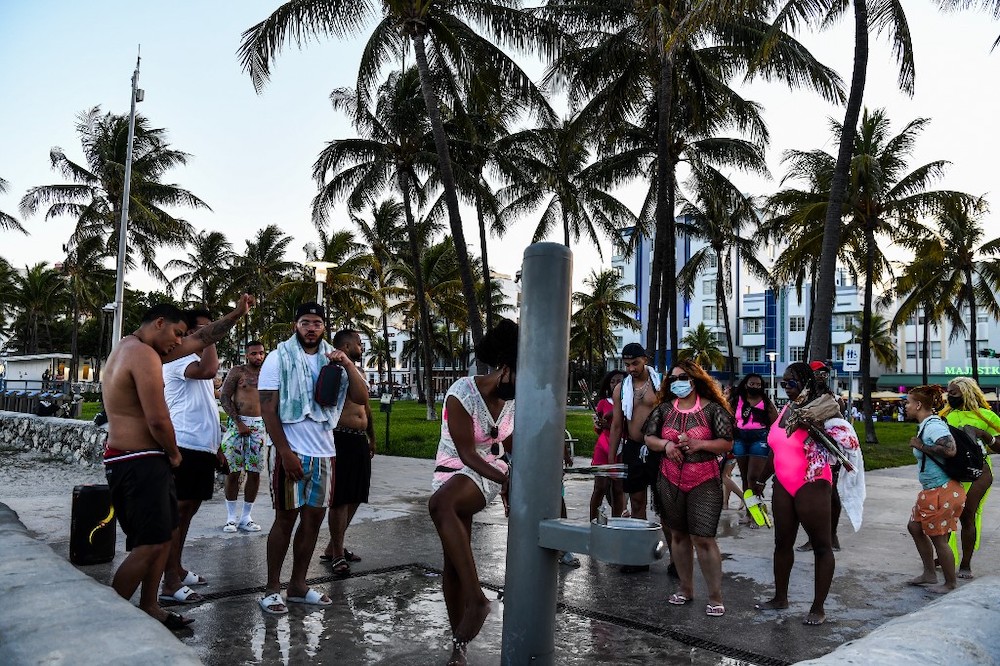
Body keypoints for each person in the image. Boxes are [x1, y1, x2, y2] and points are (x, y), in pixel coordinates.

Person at [102, 296, 253, 630]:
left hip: (139, 460)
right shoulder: (141, 355)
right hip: (138, 460)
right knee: (151, 544)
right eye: (176, 333)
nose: (179, 342)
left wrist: (237, 313)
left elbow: (202, 338)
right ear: (159, 324)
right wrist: (173, 453)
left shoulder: (137, 348)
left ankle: (150, 605)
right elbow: (157, 418)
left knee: (162, 537)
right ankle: (108, 622)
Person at [258, 303, 369, 615]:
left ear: (324, 327)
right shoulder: (278, 357)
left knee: (312, 522)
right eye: (305, 322)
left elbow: (361, 396)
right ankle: (271, 588)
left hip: (324, 453)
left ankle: (298, 585)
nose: (311, 328)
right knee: (284, 520)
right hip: (289, 452)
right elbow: (268, 408)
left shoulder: (333, 360)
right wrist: (283, 452)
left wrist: (347, 362)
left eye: (317, 323)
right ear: (296, 325)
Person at [427, 319, 517, 666]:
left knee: (441, 505)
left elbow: (509, 443)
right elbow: (464, 453)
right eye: (519, 378)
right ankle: (458, 645)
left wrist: (511, 479)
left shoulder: (514, 401)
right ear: (505, 368)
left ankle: (478, 600)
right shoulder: (462, 392)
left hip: (488, 473)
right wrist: (505, 477)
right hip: (454, 467)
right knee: (452, 563)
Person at [643, 360, 734, 618]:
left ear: (694, 380)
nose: (677, 383)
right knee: (678, 536)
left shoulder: (713, 410)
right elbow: (649, 437)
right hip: (669, 478)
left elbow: (726, 443)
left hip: (704, 479)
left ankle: (715, 597)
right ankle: (685, 589)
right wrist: (665, 445)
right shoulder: (663, 410)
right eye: (672, 379)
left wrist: (699, 444)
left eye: (682, 377)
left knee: (703, 538)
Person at [756, 362, 839, 625]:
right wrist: (761, 479)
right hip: (783, 483)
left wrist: (815, 423)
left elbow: (841, 443)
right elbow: (776, 449)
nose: (786, 387)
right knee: (782, 543)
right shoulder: (785, 410)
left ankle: (818, 607)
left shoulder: (823, 407)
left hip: (812, 482)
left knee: (821, 546)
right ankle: (780, 598)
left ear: (805, 382)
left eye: (790, 382)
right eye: (783, 383)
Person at [159, 309, 228, 604]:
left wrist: (218, 447)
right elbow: (211, 371)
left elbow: (205, 405)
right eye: (199, 330)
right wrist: (208, 337)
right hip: (185, 443)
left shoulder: (192, 360)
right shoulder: (179, 360)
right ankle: (169, 582)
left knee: (187, 514)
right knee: (177, 514)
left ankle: (176, 567)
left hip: (203, 447)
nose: (204, 334)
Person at [321, 329, 376, 576]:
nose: (362, 347)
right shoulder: (333, 369)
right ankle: (338, 553)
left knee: (357, 494)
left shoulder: (357, 372)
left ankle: (334, 546)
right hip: (340, 437)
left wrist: (371, 436)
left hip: (359, 439)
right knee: (340, 497)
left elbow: (366, 406)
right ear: (346, 345)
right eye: (359, 343)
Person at [904, 385, 966, 594]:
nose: (906, 406)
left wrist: (921, 447)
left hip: (943, 490)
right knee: (914, 527)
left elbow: (950, 449)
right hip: (932, 490)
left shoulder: (933, 426)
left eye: (908, 402)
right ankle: (929, 573)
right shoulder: (927, 425)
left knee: (939, 538)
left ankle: (950, 583)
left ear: (919, 404)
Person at [940, 376, 1000, 579]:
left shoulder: (986, 416)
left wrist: (985, 435)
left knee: (967, 515)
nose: (949, 396)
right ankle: (945, 556)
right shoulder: (946, 415)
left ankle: (965, 564)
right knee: (946, 515)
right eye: (948, 392)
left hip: (979, 473)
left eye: (954, 392)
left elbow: (998, 444)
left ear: (966, 393)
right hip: (953, 471)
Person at [219, 340, 268, 533]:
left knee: (254, 472)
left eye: (261, 353)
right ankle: (231, 517)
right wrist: (238, 422)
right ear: (247, 355)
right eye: (254, 353)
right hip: (237, 424)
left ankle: (246, 517)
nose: (258, 357)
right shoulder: (237, 372)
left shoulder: (267, 373)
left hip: (258, 425)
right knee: (233, 471)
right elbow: (224, 397)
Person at [609, 343, 661, 522]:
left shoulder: (659, 383)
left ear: (645, 360)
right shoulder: (621, 388)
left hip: (658, 448)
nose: (631, 368)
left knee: (664, 502)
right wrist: (611, 460)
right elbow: (617, 425)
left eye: (635, 363)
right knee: (637, 501)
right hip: (633, 447)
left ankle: (672, 545)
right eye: (627, 364)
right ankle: (642, 545)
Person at [798, 360, 845, 552]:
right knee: (817, 496)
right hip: (809, 449)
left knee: (828, 495)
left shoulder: (831, 397)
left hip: (828, 449)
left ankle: (828, 536)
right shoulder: (804, 396)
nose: (822, 376)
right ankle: (821, 537)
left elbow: (838, 422)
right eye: (818, 372)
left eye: (824, 373)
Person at [728, 373, 778, 525]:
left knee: (753, 478)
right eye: (752, 383)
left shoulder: (766, 403)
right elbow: (727, 418)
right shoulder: (736, 401)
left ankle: (757, 514)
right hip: (740, 439)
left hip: (759, 439)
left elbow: (775, 424)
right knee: (744, 478)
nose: (755, 386)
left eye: (758, 384)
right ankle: (749, 513)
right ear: (745, 384)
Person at [589, 369, 626, 521]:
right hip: (603, 446)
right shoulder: (603, 403)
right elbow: (598, 429)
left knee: (618, 489)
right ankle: (593, 520)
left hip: (620, 448)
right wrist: (599, 424)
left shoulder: (628, 403)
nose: (615, 384)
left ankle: (616, 521)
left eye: (619, 381)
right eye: (612, 381)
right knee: (600, 487)